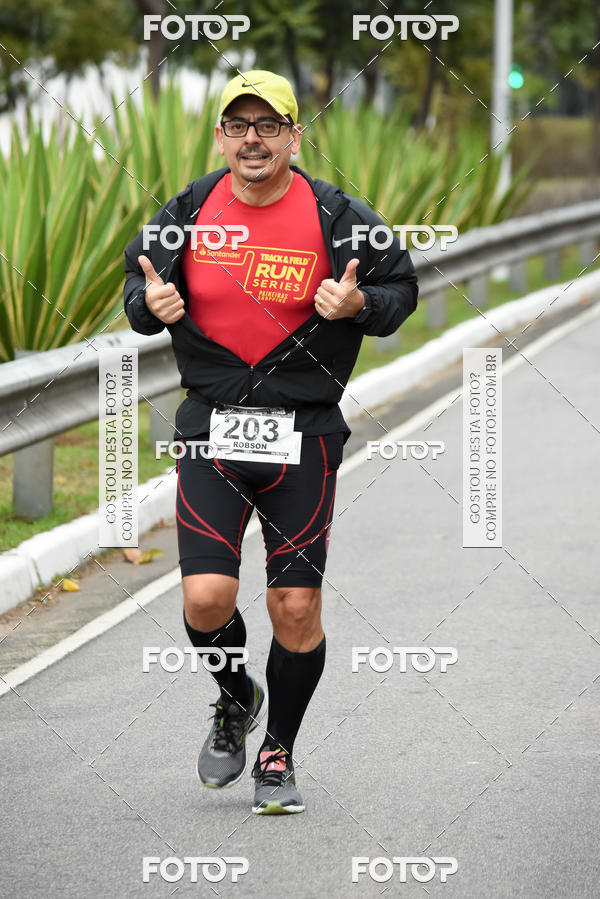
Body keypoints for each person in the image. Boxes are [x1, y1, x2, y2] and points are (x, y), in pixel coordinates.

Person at [123, 70, 418, 815]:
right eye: (238, 125)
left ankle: (278, 751)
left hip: (305, 432)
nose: (252, 139)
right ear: (222, 136)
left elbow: (401, 292)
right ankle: (234, 695)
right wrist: (147, 305)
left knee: (294, 606)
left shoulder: (341, 216)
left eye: (269, 125)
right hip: (213, 430)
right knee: (204, 599)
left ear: (294, 135)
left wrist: (359, 301)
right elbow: (138, 290)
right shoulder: (187, 210)